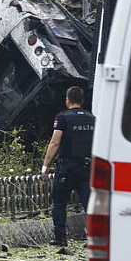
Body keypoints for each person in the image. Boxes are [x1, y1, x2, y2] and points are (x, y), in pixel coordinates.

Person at [41, 86, 95, 247]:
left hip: (67, 167)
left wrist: (45, 165)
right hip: (87, 166)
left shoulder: (62, 118)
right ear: (83, 100)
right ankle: (93, 239)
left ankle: (60, 238)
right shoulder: (92, 118)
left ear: (67, 99)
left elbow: (55, 142)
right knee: (89, 203)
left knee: (59, 202)